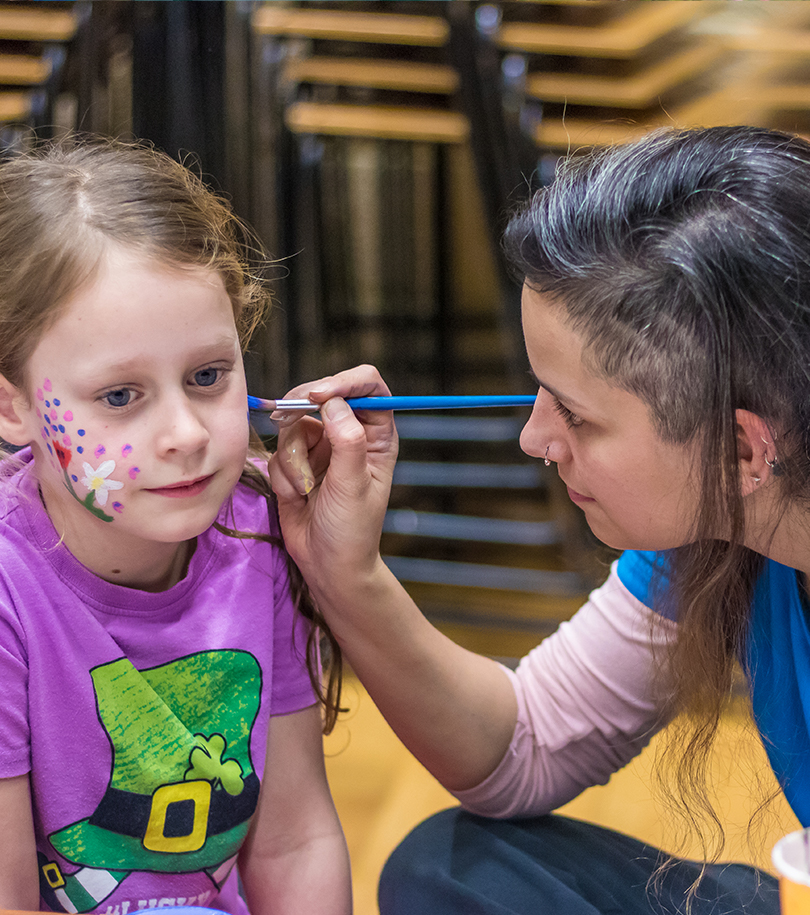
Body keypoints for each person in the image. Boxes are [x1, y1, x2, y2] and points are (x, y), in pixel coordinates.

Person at [267, 124, 810, 915]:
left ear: (738, 449)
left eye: (577, 417)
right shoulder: (715, 534)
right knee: (451, 867)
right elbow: (522, 749)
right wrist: (346, 573)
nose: (535, 439)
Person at [0, 137, 351, 915]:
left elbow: (295, 840)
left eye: (207, 376)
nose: (186, 433)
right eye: (120, 396)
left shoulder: (263, 528)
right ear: (13, 406)